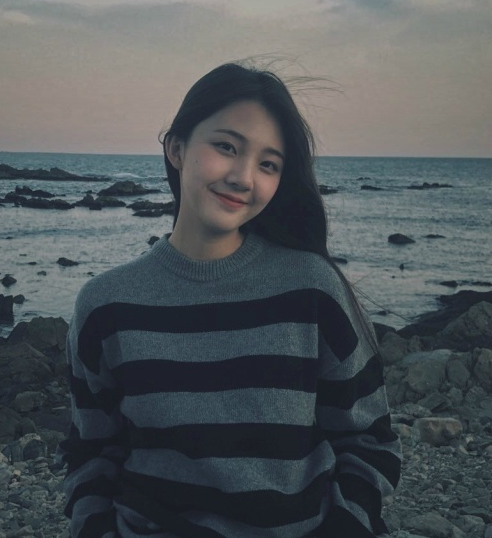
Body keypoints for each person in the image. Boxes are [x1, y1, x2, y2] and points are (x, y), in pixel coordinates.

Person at [58, 63, 401, 537]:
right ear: (176, 148)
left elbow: (369, 441)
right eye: (226, 147)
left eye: (268, 164)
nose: (243, 177)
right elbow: (91, 453)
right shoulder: (105, 305)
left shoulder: (311, 289)